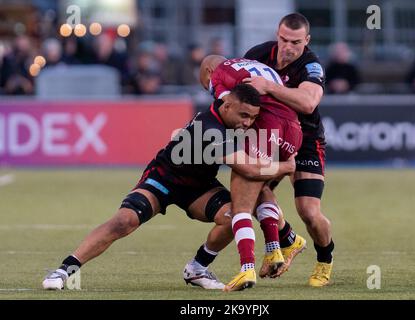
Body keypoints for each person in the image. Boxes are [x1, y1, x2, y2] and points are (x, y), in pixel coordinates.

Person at [42, 84, 296, 290]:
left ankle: (197, 269)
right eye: (244, 116)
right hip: (164, 178)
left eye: (252, 117)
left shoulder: (227, 119)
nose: (248, 123)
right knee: (124, 221)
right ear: (226, 105)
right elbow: (249, 169)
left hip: (199, 187)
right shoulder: (211, 128)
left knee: (234, 218)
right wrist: (286, 167)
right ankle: (65, 270)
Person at [197, 55, 306, 291]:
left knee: (241, 204)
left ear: (207, 70)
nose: (208, 87)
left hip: (268, 128)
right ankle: (276, 248)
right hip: (294, 130)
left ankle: (247, 269)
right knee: (261, 187)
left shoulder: (219, 74)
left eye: (204, 83)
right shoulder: (255, 65)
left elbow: (230, 109)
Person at [243, 12, 334, 287]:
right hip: (270, 138)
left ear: (306, 40)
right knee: (251, 189)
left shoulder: (311, 66)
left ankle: (324, 260)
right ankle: (288, 239)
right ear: (277, 35)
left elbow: (307, 103)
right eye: (283, 39)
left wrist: (269, 87)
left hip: (305, 140)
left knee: (308, 210)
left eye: (295, 41)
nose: (288, 46)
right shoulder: (257, 55)